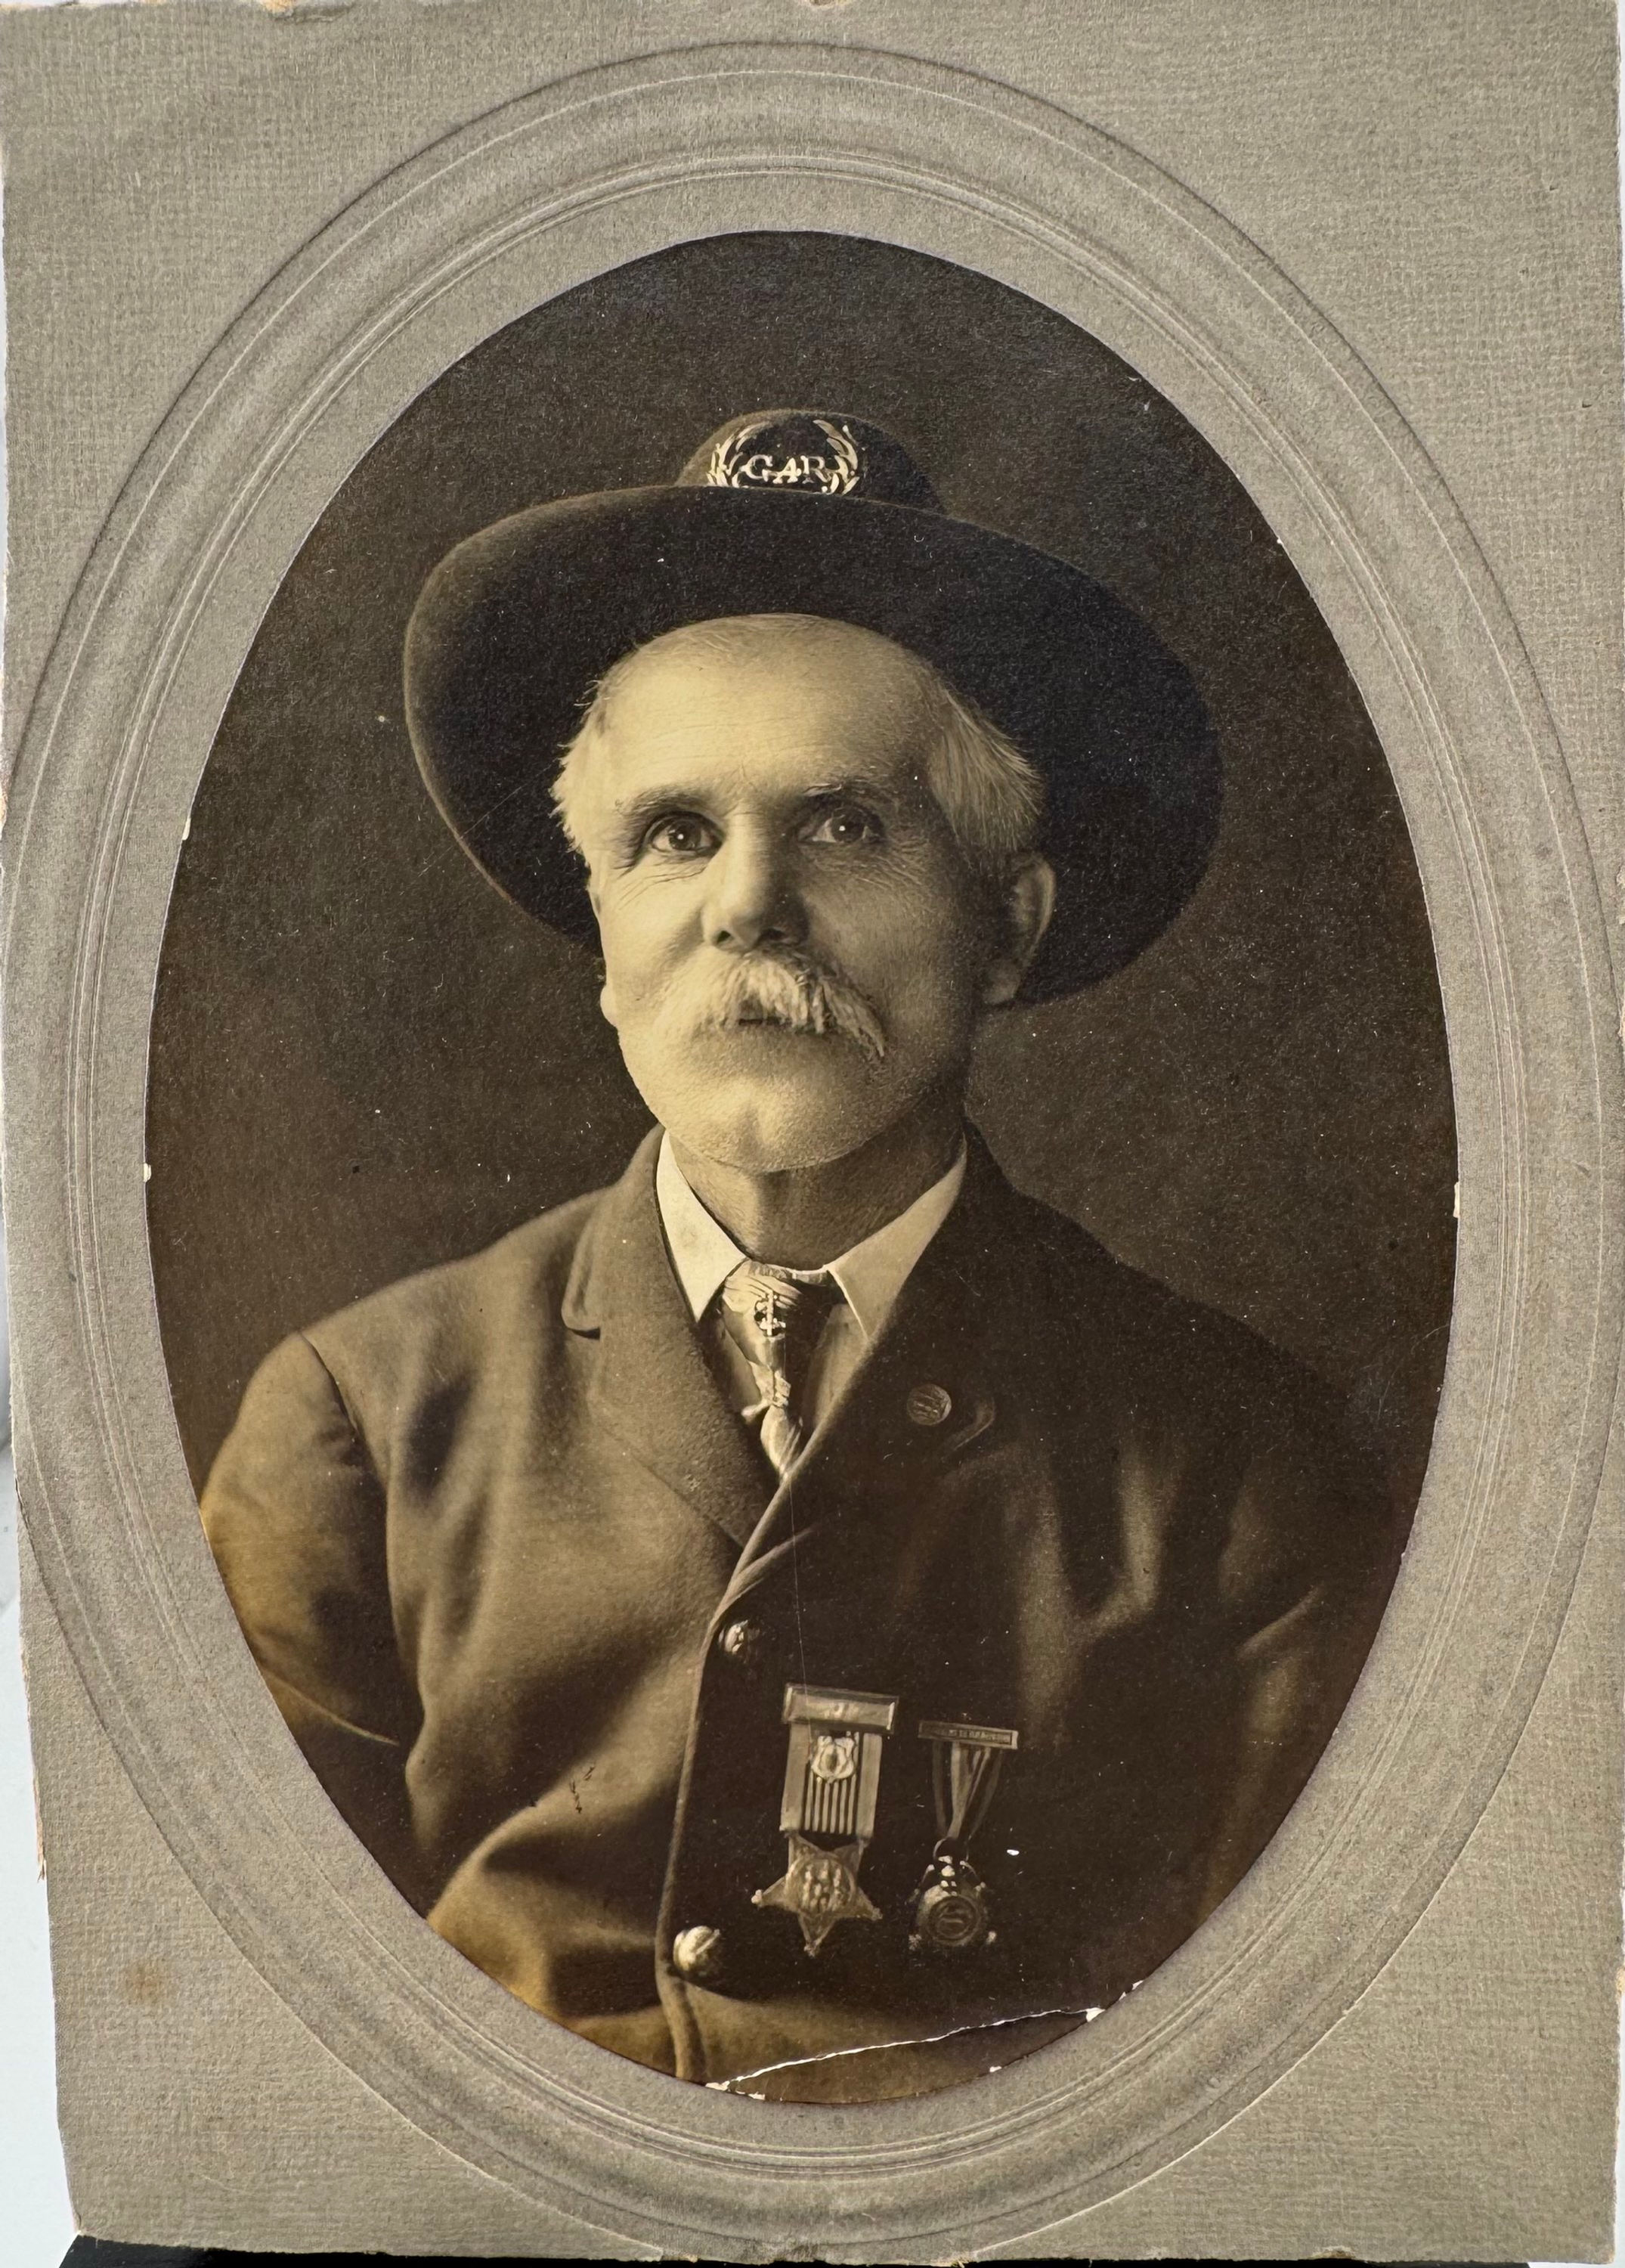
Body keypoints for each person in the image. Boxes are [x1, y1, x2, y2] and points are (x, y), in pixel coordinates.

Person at [201, 411, 1403, 2102]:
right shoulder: (358, 1427)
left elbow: (1278, 2090)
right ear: (605, 933)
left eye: (844, 827)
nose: (748, 907)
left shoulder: (1243, 1480)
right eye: (675, 836)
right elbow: (252, 2058)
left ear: (1009, 928)